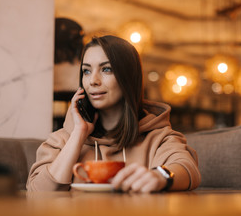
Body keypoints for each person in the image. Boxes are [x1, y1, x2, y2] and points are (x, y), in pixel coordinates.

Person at [27, 35, 201, 193]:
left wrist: (160, 176)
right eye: (86, 71)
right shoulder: (61, 140)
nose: (93, 81)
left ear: (128, 77)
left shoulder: (158, 137)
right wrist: (78, 134)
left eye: (106, 69)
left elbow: (186, 168)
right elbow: (38, 193)